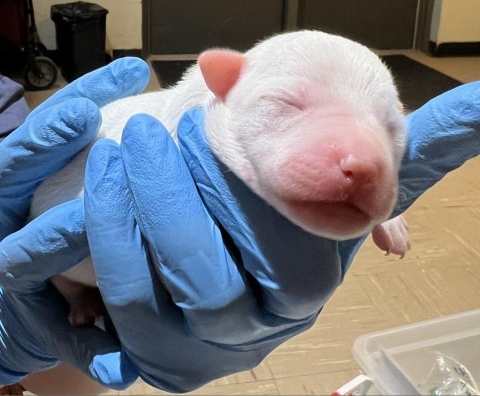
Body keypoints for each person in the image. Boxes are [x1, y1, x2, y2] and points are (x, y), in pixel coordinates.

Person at [1, 57, 480, 394]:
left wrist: (378, 198)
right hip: (65, 275)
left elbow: (69, 386)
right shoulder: (202, 116)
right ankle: (76, 293)